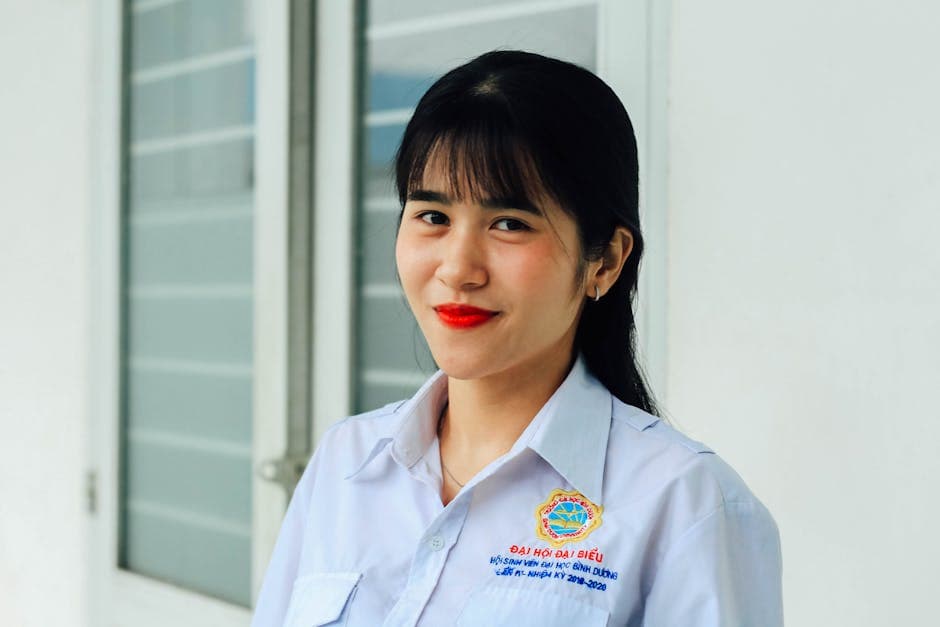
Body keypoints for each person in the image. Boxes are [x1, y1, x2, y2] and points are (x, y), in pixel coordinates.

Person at [251, 50, 783, 626]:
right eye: (432, 215)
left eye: (510, 224)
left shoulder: (685, 504)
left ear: (604, 261)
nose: (458, 268)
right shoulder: (346, 464)